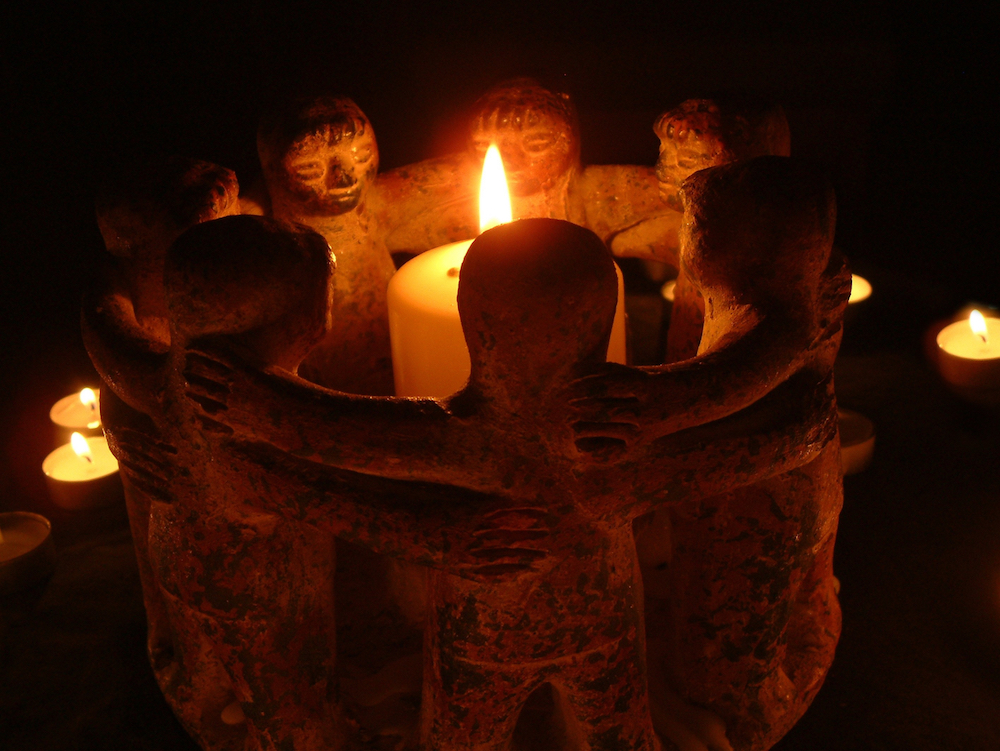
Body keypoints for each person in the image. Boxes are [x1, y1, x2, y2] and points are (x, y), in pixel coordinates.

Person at [182, 217, 838, 751]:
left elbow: (337, 434)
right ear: (604, 321)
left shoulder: (467, 435)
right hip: (595, 624)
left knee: (471, 738)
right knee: (612, 733)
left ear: (471, 320)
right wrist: (798, 423)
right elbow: (732, 454)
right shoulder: (613, 444)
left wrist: (257, 403)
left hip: (487, 633)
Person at [572, 156, 849, 750]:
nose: (682, 238)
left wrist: (646, 401)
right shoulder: (782, 294)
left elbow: (731, 381)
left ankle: (754, 708)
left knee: (719, 660)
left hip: (759, 511)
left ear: (729, 242)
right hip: (752, 496)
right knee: (727, 617)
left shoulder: (775, 319)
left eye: (692, 225)